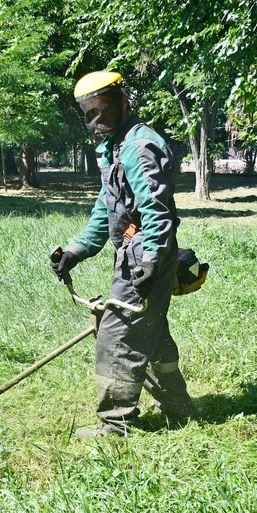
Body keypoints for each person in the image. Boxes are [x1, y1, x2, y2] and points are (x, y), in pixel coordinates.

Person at [51, 71, 196, 439]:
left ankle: (114, 425)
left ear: (123, 101)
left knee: (116, 336)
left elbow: (155, 211)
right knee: (150, 332)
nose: (96, 120)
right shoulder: (115, 146)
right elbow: (107, 208)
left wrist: (150, 261)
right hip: (138, 253)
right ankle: (178, 409)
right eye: (89, 113)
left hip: (148, 255)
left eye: (103, 109)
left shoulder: (138, 146)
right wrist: (77, 250)